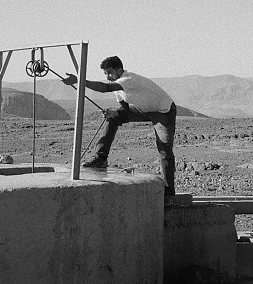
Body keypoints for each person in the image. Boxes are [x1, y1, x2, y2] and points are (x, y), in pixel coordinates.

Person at [62, 56, 177, 207]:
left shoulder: (127, 79)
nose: (108, 77)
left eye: (110, 73)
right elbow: (125, 109)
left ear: (120, 70)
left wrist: (79, 80)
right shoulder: (118, 87)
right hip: (144, 109)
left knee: (164, 149)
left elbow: (105, 88)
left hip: (163, 111)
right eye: (105, 74)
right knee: (112, 118)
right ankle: (101, 158)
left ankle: (169, 192)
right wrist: (115, 113)